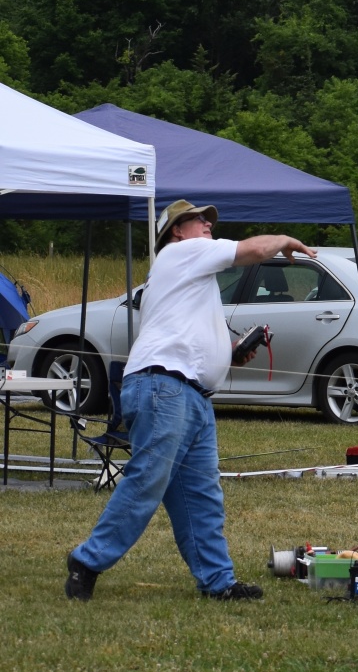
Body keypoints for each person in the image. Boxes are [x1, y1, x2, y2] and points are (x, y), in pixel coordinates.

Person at [65, 199, 317, 601]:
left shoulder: (189, 277)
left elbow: (186, 338)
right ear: (175, 231)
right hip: (165, 388)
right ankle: (87, 560)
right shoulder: (181, 252)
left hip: (188, 394)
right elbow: (253, 250)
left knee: (201, 496)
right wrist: (285, 238)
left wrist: (231, 352)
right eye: (198, 220)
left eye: (206, 220)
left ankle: (218, 583)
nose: (207, 224)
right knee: (148, 479)